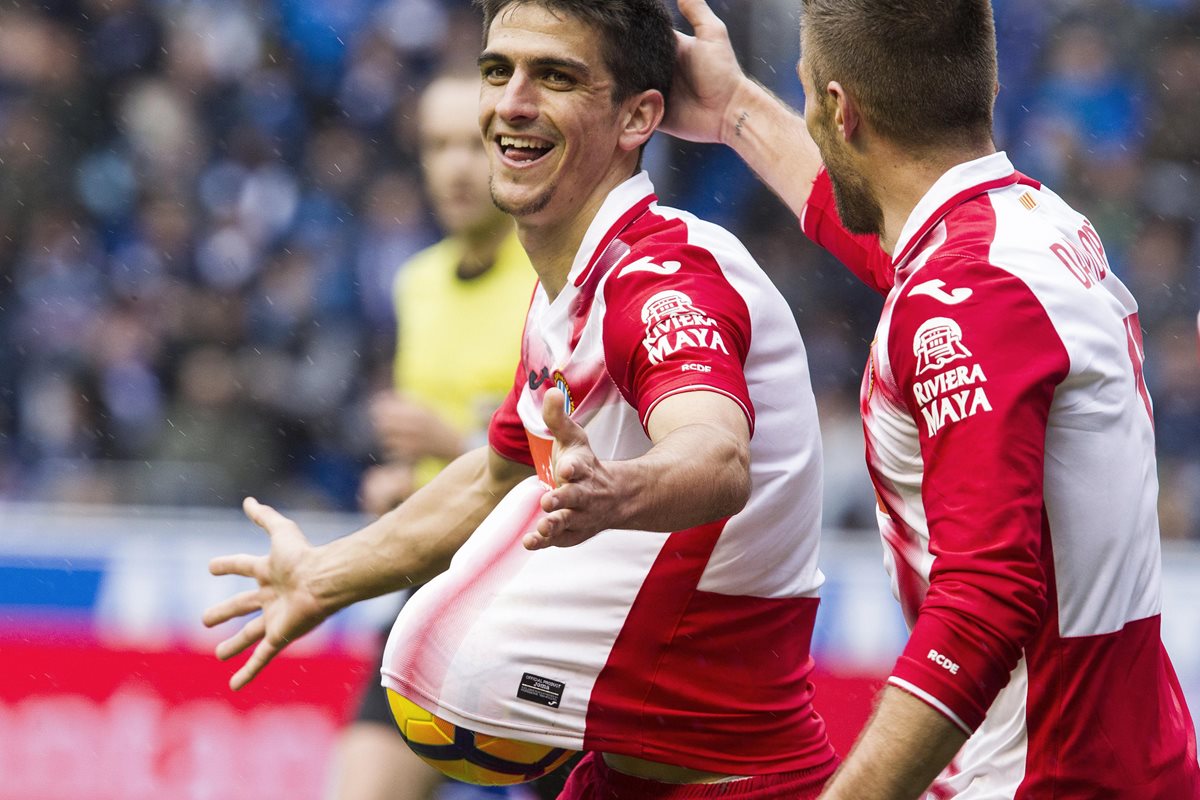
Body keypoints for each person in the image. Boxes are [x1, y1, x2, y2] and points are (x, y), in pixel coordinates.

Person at [204, 1, 838, 798]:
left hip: (740, 785)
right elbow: (495, 476)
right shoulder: (562, 294)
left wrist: (616, 490)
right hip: (623, 774)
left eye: (556, 77)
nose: (512, 102)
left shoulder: (665, 279)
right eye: (498, 70)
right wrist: (324, 577)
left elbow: (716, 454)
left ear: (640, 116)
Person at [662, 0, 1200, 797]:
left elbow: (984, 601)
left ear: (839, 110)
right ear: (978, 89)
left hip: (1041, 779)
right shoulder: (1031, 227)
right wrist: (736, 108)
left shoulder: (965, 295)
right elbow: (899, 246)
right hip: (1130, 759)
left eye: (808, 94)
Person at [331, 75, 542, 800]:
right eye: (437, 146)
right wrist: (402, 484)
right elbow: (422, 449)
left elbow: (579, 456)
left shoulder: (553, 277)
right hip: (436, 575)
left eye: (474, 144)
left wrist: (453, 441)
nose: (455, 166)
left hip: (539, 587)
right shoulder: (415, 283)